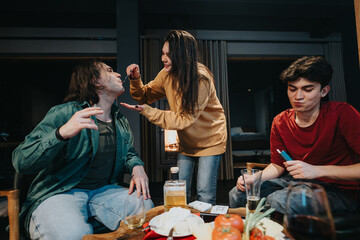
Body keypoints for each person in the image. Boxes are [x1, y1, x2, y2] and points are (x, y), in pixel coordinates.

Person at [12, 60, 153, 240]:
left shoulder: (120, 120)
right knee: (72, 234)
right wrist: (61, 133)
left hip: (104, 191)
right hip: (60, 192)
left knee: (144, 207)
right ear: (96, 81)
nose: (118, 74)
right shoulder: (65, 113)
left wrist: (137, 167)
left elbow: (129, 153)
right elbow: (21, 160)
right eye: (110, 71)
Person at [229, 56, 360, 214]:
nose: (298, 96)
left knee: (279, 201)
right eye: (292, 89)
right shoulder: (280, 121)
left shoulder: (342, 114)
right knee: (239, 194)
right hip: (298, 183)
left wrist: (317, 170)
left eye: (308, 89)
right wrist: (257, 178)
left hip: (339, 190)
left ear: (324, 91)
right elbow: (278, 165)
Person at [121, 30, 227, 205]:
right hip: (187, 141)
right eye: (163, 53)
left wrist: (148, 111)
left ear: (183, 55)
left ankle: (201, 231)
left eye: (169, 55)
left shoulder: (201, 79)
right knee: (179, 191)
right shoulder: (166, 74)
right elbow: (144, 95)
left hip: (211, 139)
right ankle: (180, 229)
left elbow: (184, 119)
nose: (163, 58)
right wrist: (135, 80)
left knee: (204, 195)